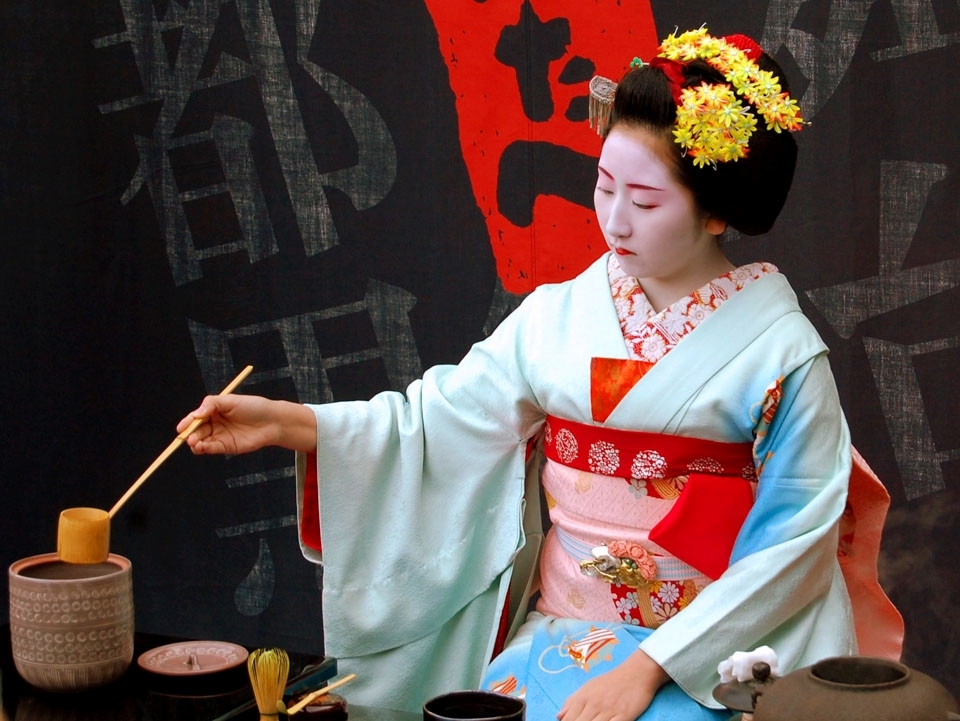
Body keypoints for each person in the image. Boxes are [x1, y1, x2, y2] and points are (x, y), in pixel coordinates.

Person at [178, 27, 902, 721]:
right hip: (562, 631)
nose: (614, 220)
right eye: (604, 185)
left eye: (644, 202)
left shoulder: (781, 351)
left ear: (716, 212)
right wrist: (292, 423)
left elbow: (793, 541)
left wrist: (649, 668)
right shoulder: (558, 316)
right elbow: (438, 423)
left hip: (712, 656)